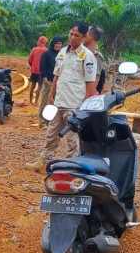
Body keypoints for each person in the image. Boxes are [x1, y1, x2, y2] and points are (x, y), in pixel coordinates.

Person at [25, 21, 97, 171]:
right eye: (71, 34)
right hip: (59, 102)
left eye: (76, 35)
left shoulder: (87, 57)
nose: (72, 38)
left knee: (72, 138)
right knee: (51, 133)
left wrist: (85, 104)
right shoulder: (63, 52)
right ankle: (44, 161)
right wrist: (51, 96)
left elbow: (90, 83)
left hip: (74, 104)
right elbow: (57, 75)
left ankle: (72, 166)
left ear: (84, 37)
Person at [37, 35, 63, 128]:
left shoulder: (62, 55)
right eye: (56, 43)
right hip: (49, 81)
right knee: (45, 101)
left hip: (59, 83)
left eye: (60, 44)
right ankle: (42, 122)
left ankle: (51, 121)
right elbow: (42, 67)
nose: (58, 45)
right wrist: (44, 78)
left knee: (55, 103)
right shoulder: (46, 54)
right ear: (53, 44)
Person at [84, 25, 105, 94]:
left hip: (88, 94)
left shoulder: (96, 55)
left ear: (90, 37)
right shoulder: (85, 53)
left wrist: (86, 98)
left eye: (85, 34)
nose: (83, 36)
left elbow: (96, 79)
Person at [27, 36, 48, 105]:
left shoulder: (34, 49)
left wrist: (32, 66)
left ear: (38, 41)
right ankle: (36, 101)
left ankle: (30, 101)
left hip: (34, 71)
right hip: (41, 71)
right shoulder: (46, 50)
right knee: (40, 86)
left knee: (33, 86)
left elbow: (30, 60)